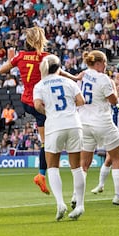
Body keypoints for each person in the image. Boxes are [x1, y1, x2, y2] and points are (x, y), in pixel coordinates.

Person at [0, 26, 79, 195]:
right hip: (40, 102)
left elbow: (1, 70)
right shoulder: (46, 57)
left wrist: (12, 60)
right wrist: (74, 77)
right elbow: (59, 71)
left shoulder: (20, 56)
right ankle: (42, 174)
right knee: (46, 141)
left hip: (26, 101)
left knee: (49, 137)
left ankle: (43, 173)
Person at [33, 54, 86, 220]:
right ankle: (80, 205)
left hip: (54, 126)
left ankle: (60, 203)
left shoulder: (39, 85)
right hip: (73, 124)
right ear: (59, 67)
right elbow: (81, 101)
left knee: (53, 166)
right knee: (76, 167)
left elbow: (37, 105)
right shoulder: (69, 82)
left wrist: (48, 111)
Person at [77, 50, 119, 209]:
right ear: (98, 63)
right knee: (116, 159)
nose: (105, 66)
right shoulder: (103, 79)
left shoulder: (83, 74)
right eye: (104, 63)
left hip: (84, 122)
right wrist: (114, 85)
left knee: (83, 164)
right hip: (102, 122)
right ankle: (118, 196)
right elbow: (114, 101)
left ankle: (76, 197)